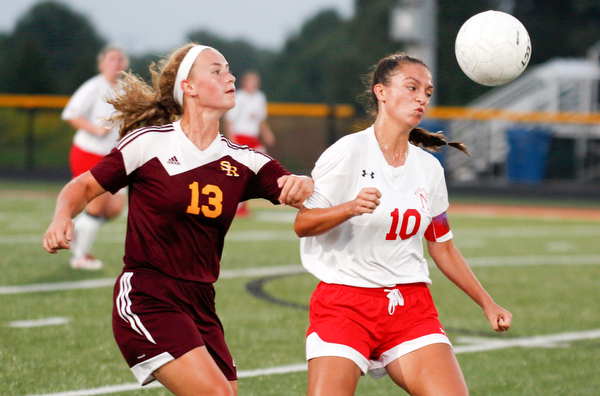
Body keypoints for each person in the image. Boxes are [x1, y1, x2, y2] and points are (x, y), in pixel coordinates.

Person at [43, 43, 313, 396]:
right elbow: (83, 186)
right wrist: (62, 216)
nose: (229, 76)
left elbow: (310, 199)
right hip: (147, 294)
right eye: (216, 71)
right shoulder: (148, 143)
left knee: (227, 394)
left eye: (228, 69)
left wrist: (305, 184)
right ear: (189, 87)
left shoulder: (245, 161)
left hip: (202, 300)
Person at [294, 52, 512, 396]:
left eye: (426, 91)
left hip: (411, 308)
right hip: (345, 305)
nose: (421, 98)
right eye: (411, 87)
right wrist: (350, 207)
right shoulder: (348, 152)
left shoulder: (429, 169)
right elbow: (303, 223)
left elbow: (442, 246)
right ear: (381, 92)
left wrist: (488, 303)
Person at [61, 44, 129, 270]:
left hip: (114, 156)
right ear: (101, 64)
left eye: (120, 59)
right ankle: (80, 257)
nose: (117, 63)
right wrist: (95, 129)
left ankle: (75, 228)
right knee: (97, 206)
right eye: (111, 59)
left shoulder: (127, 88)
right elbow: (71, 114)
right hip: (89, 153)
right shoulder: (93, 86)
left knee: (115, 208)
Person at [224, 70, 275, 217]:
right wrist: (232, 140)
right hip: (240, 137)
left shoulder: (259, 97)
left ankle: (244, 202)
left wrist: (267, 134)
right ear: (244, 82)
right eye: (250, 81)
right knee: (242, 173)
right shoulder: (238, 96)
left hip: (253, 139)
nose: (253, 84)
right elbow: (230, 120)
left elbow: (261, 120)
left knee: (262, 167)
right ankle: (238, 206)